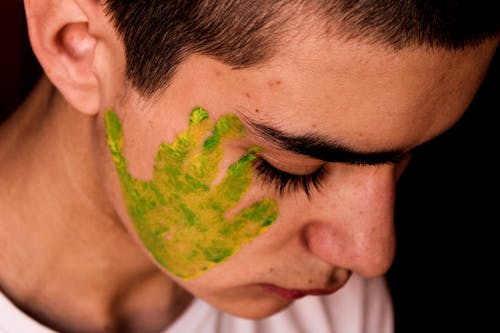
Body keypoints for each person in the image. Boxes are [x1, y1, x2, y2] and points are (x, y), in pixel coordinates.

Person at [0, 0, 498, 332]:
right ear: (77, 45)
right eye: (292, 169)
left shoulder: (337, 315)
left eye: (407, 156)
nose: (370, 256)